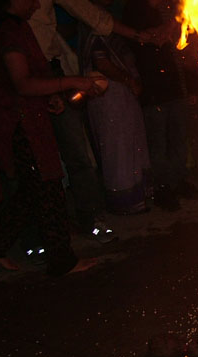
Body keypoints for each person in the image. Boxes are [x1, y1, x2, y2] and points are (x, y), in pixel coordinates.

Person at [0, 0, 102, 275]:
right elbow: (21, 83)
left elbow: (31, 78)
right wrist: (71, 82)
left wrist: (51, 97)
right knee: (48, 187)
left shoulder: (17, 27)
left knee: (31, 192)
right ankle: (62, 261)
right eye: (31, 0)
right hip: (19, 125)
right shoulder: (8, 31)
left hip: (31, 117)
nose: (36, 5)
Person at [28, 0, 148, 241]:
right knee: (35, 163)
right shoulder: (10, 30)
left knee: (78, 157)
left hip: (54, 72)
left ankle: (89, 218)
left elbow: (90, 14)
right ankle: (42, 234)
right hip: (32, 85)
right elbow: (93, 18)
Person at [124, 0, 198, 211]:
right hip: (152, 90)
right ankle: (162, 187)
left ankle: (178, 181)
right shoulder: (134, 10)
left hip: (176, 87)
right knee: (157, 143)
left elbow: (184, 38)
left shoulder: (170, 8)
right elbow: (143, 40)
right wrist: (160, 32)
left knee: (179, 138)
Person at [78, 0, 150, 215]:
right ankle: (123, 202)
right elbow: (101, 63)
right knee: (117, 149)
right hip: (107, 97)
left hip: (123, 96)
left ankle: (138, 199)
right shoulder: (93, 22)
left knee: (131, 145)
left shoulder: (114, 20)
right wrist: (129, 80)